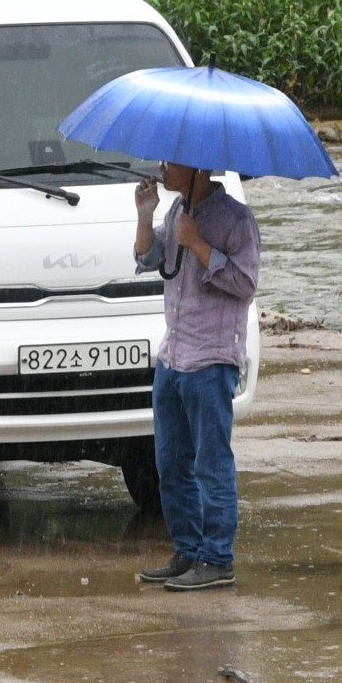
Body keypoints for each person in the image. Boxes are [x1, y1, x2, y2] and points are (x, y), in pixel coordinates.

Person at [135, 161, 261, 591]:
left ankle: (217, 558)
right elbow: (149, 258)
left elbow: (246, 281)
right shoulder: (175, 211)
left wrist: (200, 245)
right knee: (170, 461)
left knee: (211, 463)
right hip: (174, 355)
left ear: (198, 169)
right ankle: (188, 549)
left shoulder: (235, 219)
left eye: (172, 162)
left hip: (211, 359)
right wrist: (145, 214)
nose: (162, 168)